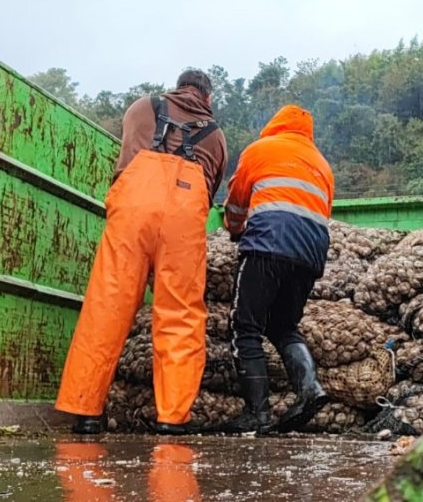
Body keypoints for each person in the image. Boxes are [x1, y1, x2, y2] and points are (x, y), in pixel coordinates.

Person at [55, 69, 227, 435]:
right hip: (184, 216)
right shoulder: (217, 138)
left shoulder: (141, 108)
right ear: (207, 98)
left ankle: (84, 411)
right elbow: (208, 196)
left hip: (132, 210)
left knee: (108, 306)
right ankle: (172, 419)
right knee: (180, 313)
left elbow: (124, 158)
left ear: (179, 87)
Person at [218, 104, 335, 433]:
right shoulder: (322, 164)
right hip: (311, 253)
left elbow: (238, 201)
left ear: (274, 125)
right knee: (284, 325)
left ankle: (257, 412)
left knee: (246, 326)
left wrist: (235, 230)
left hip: (267, 244)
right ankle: (309, 389)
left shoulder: (260, 149)